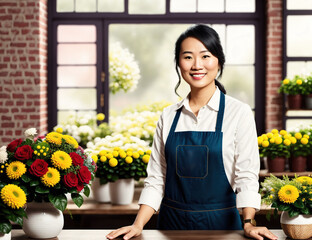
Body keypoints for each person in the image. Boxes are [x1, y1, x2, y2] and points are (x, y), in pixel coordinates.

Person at [107, 24, 278, 240]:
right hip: (171, 226)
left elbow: (246, 175)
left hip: (223, 227)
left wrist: (248, 223)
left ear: (219, 61)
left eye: (205, 56)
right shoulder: (168, 116)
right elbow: (157, 178)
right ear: (179, 64)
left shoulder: (238, 113)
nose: (197, 65)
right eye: (188, 57)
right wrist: (138, 224)